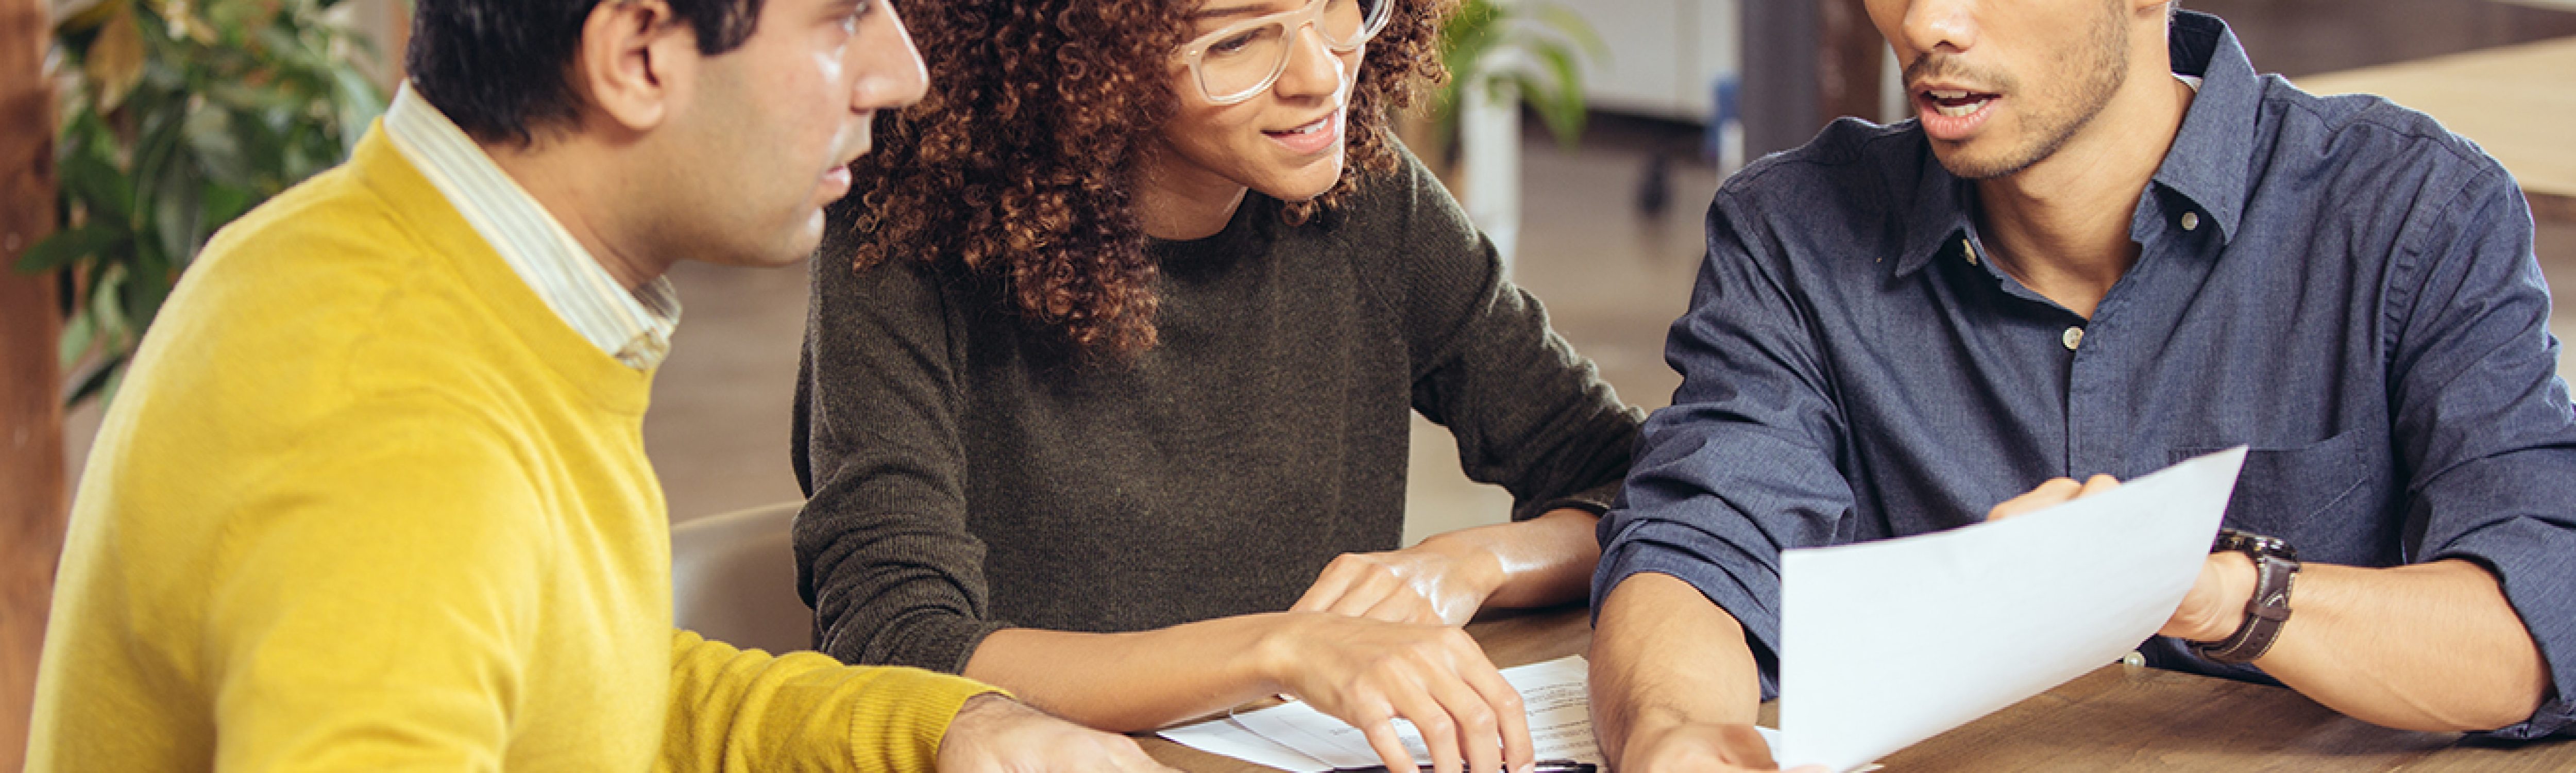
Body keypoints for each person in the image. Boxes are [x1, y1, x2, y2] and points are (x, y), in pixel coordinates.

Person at [27, 0, 1166, 770]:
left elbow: (576, 689)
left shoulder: (414, 271)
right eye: (842, 17)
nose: (903, 73)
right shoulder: (391, 418)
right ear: (636, 56)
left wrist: (951, 729)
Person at [1585, 2, 2575, 770]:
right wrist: (1672, 734)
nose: (1928, 25)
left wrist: (2208, 591)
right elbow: (1700, 545)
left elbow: (2536, 620)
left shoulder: (2412, 212)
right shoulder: (1792, 229)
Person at [790, 1, 1642, 771]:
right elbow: (898, 644)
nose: (1321, 76)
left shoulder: (1372, 204)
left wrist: (1470, 562)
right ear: (1091, 65)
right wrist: (1282, 650)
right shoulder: (907, 238)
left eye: (1339, 7)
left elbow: (1638, 483)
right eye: (1237, 41)